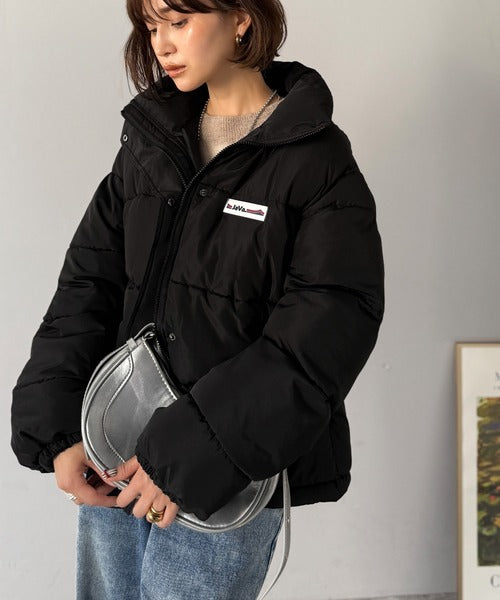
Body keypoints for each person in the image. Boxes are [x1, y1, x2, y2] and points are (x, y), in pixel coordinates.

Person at [10, 0, 385, 598]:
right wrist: (56, 428)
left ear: (241, 17)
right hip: (117, 451)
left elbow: (326, 330)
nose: (161, 44)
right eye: (150, 26)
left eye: (178, 21)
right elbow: (88, 284)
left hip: (226, 474)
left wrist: (195, 452)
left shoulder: (315, 160)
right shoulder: (150, 143)